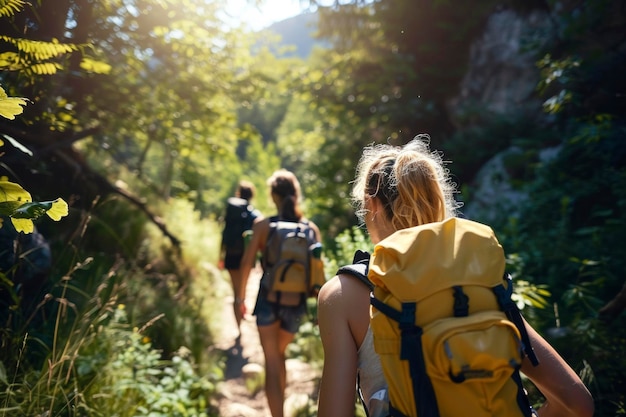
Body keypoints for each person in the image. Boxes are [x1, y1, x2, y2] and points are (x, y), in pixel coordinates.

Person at [317, 135, 594, 417]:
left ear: (371, 204)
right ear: (437, 198)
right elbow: (578, 403)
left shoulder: (342, 295)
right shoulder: (479, 280)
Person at [239, 169, 322, 417]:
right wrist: (320, 309)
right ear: (295, 195)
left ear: (273, 196)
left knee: (272, 360)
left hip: (268, 300)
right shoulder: (310, 229)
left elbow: (247, 264)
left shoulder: (263, 226)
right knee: (280, 354)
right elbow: (318, 273)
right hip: (296, 304)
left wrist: (240, 298)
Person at [219, 180, 261, 340]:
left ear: (238, 193)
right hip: (246, 258)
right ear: (251, 195)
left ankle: (239, 327)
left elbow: (224, 234)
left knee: (235, 290)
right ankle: (243, 309)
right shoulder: (253, 214)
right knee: (243, 289)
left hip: (230, 255)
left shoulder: (231, 212)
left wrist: (220, 256)